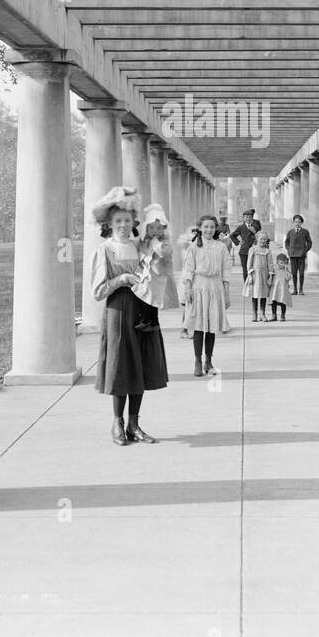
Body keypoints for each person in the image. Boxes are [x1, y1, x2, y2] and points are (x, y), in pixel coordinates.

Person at [89, 186, 168, 445]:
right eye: (118, 221)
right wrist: (121, 279)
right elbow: (98, 291)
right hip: (119, 311)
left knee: (141, 365)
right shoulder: (105, 250)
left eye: (127, 221)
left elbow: (159, 263)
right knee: (121, 365)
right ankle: (117, 423)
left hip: (143, 308)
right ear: (109, 224)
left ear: (133, 222)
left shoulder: (140, 245)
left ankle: (134, 423)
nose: (123, 225)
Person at [181, 214, 231, 376]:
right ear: (200, 228)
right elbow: (188, 269)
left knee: (211, 326)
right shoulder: (194, 247)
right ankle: (197, 361)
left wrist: (227, 293)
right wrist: (188, 289)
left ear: (216, 228)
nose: (208, 229)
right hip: (198, 287)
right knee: (198, 326)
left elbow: (226, 270)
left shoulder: (221, 247)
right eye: (205, 226)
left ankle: (209, 362)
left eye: (211, 226)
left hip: (215, 287)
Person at [132, 204, 180, 332]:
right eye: (151, 227)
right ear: (146, 228)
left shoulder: (164, 242)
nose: (155, 231)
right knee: (144, 295)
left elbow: (165, 253)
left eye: (159, 228)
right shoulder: (143, 241)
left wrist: (155, 242)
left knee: (153, 299)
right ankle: (146, 319)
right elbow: (136, 247)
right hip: (146, 274)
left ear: (164, 229)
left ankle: (151, 321)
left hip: (158, 276)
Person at [243, 230, 273, 321]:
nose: (262, 241)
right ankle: (254, 313)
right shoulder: (253, 249)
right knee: (255, 294)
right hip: (255, 274)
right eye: (261, 239)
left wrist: (270, 276)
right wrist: (250, 274)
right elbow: (249, 263)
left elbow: (270, 264)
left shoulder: (267, 251)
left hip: (265, 275)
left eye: (264, 239)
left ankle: (262, 313)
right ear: (257, 239)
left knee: (263, 295)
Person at [229, 208, 262, 280]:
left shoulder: (256, 226)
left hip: (255, 250)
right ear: (243, 218)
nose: (248, 219)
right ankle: (246, 286)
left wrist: (255, 232)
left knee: (255, 268)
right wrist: (238, 242)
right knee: (245, 270)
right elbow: (232, 235)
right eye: (246, 217)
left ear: (252, 218)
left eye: (250, 217)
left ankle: (254, 283)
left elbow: (261, 237)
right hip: (244, 251)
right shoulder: (241, 227)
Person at [284, 214, 312, 294]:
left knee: (301, 273)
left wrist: (305, 250)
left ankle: (301, 289)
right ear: (293, 222)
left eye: (299, 222)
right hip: (292, 255)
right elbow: (287, 242)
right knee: (294, 273)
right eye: (295, 221)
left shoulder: (305, 232)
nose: (297, 223)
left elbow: (309, 242)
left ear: (301, 223)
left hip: (301, 255)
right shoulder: (290, 232)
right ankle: (295, 289)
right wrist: (288, 250)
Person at [268, 253, 293, 321]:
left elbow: (289, 278)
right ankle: (274, 315)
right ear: (277, 262)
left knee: (283, 302)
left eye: (285, 263)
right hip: (275, 289)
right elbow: (270, 276)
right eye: (281, 263)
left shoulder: (286, 270)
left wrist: (287, 270)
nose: (282, 264)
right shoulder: (274, 269)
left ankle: (283, 315)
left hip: (283, 289)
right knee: (274, 302)